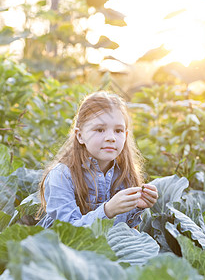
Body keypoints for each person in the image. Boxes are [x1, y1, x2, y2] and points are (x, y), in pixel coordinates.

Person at [37, 91, 158, 228]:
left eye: (118, 131)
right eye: (100, 130)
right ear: (80, 136)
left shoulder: (125, 174)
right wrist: (108, 210)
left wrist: (137, 206)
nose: (111, 137)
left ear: (125, 135)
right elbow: (68, 231)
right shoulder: (61, 176)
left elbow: (122, 231)